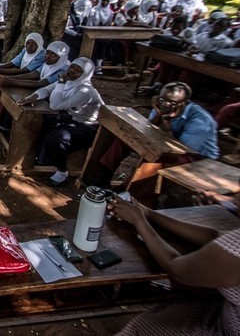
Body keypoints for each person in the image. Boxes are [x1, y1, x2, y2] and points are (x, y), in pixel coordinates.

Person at [109, 194, 240, 335]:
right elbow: (214, 236)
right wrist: (148, 213)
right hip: (222, 311)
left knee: (142, 327)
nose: (236, 198)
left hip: (223, 329)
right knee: (166, 311)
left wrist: (139, 220)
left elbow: (176, 269)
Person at [85, 82, 219, 198]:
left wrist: (166, 120)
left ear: (186, 103)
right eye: (162, 99)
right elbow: (150, 131)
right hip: (165, 146)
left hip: (196, 158)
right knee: (126, 139)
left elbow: (176, 150)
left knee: (157, 158)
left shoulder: (201, 122)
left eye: (172, 103)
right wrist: (159, 114)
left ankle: (125, 191)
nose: (165, 104)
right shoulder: (162, 105)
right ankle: (102, 177)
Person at [18, 58, 104, 186]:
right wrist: (34, 96)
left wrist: (61, 81)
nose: (72, 71)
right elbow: (46, 90)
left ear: (85, 75)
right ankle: (42, 159)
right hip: (72, 120)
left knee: (56, 138)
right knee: (43, 123)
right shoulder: (71, 83)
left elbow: (55, 105)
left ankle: (62, 173)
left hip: (89, 128)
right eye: (72, 67)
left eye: (78, 70)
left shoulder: (85, 91)